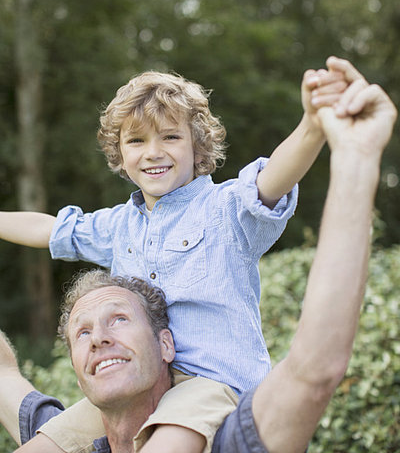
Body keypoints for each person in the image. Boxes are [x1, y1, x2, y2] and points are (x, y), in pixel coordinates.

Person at [1, 57, 397, 452]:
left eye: (170, 137)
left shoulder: (223, 210)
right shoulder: (118, 225)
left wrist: (313, 126)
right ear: (120, 155)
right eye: (137, 141)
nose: (153, 152)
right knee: (48, 441)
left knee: (168, 440)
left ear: (198, 146)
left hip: (211, 385)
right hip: (138, 389)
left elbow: (274, 178)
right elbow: (50, 229)